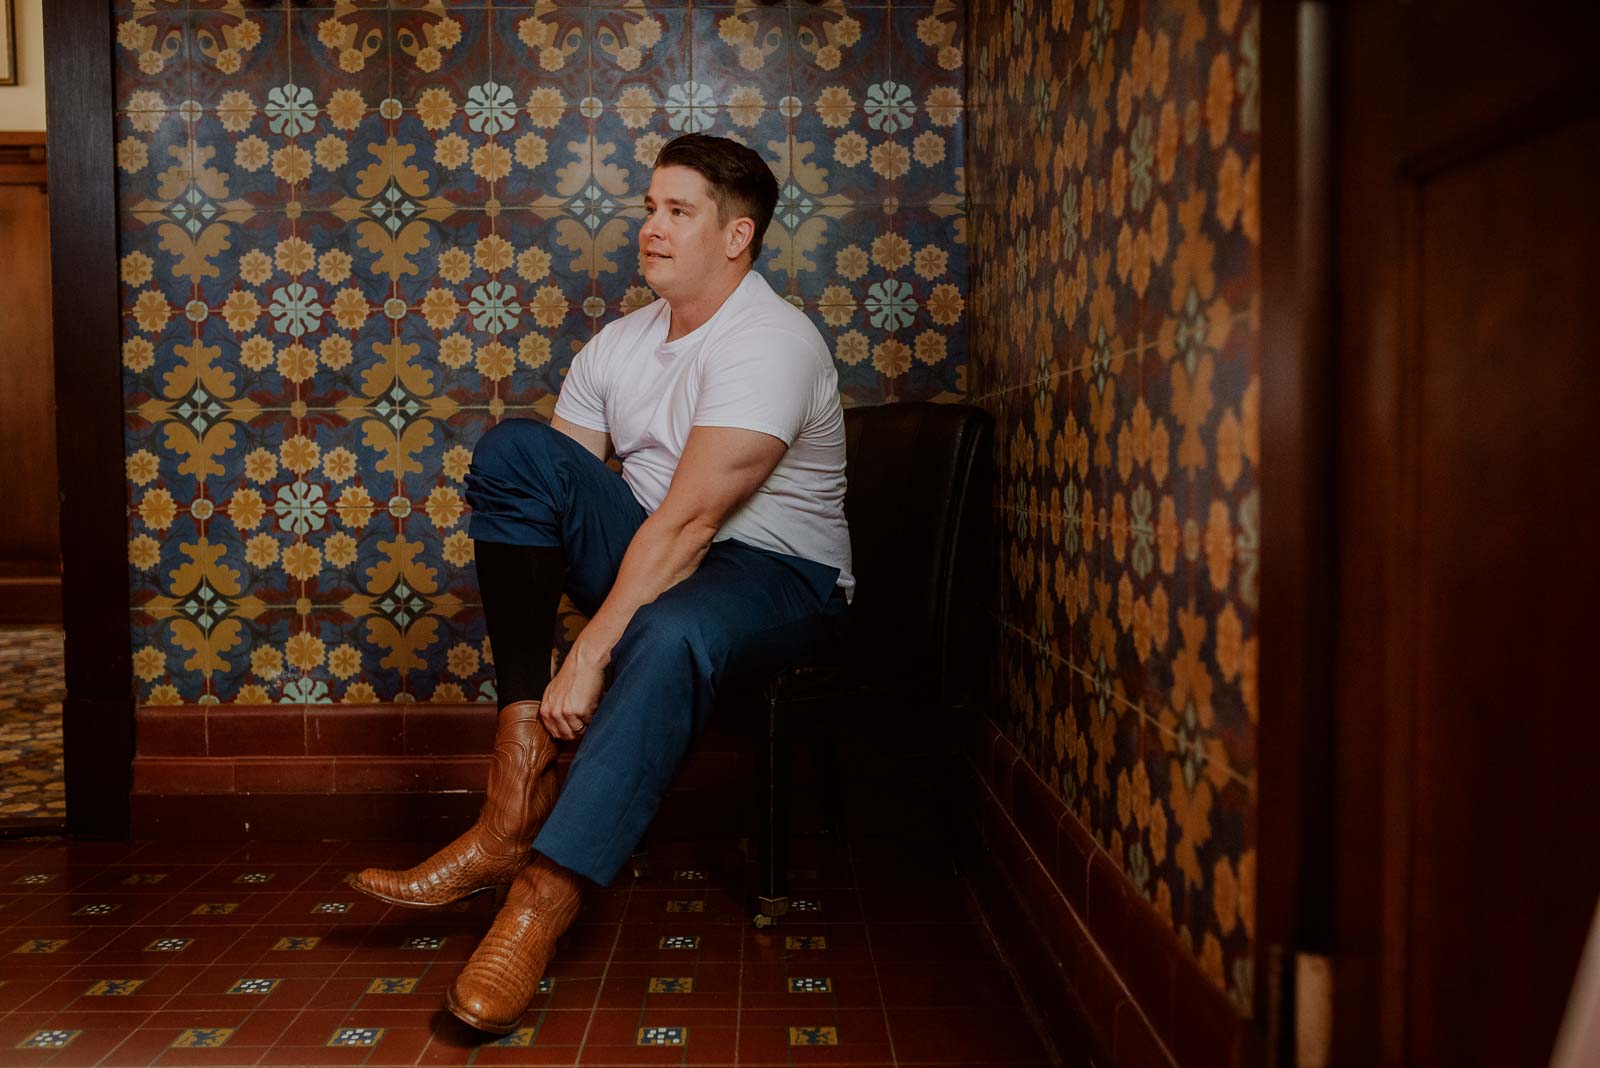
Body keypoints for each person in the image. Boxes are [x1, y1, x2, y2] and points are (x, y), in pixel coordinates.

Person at [351, 133, 854, 1034]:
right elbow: (549, 503)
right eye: (648, 207)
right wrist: (553, 677)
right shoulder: (617, 346)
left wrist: (587, 652)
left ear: (737, 236)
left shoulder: (772, 342)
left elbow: (692, 525)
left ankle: (539, 902)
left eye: (677, 211)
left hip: (782, 577)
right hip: (663, 561)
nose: (649, 228)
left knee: (667, 632)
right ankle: (513, 797)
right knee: (514, 451)